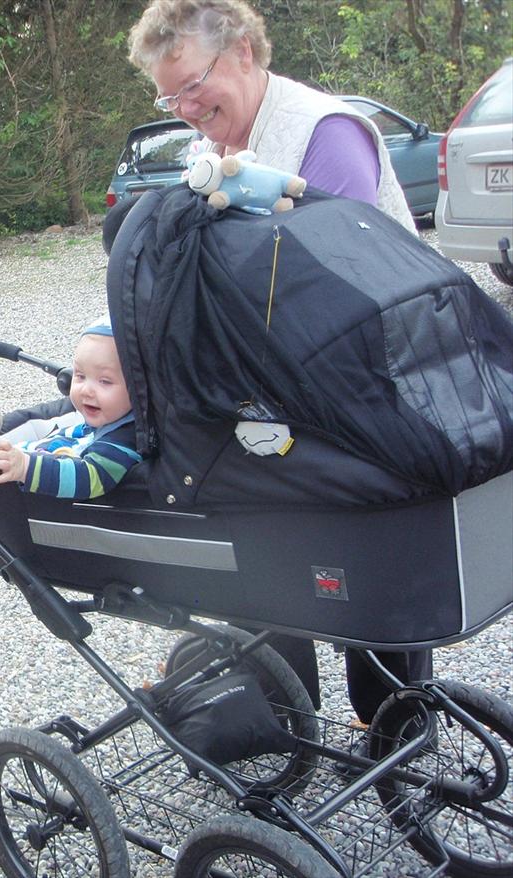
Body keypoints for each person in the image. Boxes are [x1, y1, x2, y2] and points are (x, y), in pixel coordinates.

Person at [127, 0, 431, 743]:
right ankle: (283, 704)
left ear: (242, 53)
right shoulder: (226, 141)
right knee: (265, 541)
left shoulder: (323, 133)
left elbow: (336, 273)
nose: (186, 110)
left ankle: (394, 720)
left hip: (370, 382)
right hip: (284, 388)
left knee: (367, 556)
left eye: (193, 87)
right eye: (168, 98)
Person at [0, 315, 142, 499]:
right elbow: (71, 434)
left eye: (105, 381)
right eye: (80, 376)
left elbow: (90, 478)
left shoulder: (122, 443)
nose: (86, 390)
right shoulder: (104, 420)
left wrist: (25, 467)